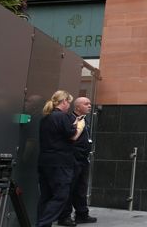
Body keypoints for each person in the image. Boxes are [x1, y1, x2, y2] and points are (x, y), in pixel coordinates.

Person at [36, 90, 85, 227]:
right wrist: (79, 126)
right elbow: (73, 136)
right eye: (68, 102)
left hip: (45, 161)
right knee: (61, 195)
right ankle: (42, 224)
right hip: (60, 163)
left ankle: (42, 223)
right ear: (64, 101)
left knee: (46, 196)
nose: (69, 106)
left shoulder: (45, 118)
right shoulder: (62, 117)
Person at [59, 97, 97, 225]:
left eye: (90, 104)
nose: (89, 106)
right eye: (86, 104)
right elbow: (70, 138)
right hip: (73, 158)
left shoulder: (85, 120)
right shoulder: (70, 119)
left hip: (83, 159)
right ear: (77, 107)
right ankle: (65, 216)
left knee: (81, 188)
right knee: (70, 188)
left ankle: (82, 214)